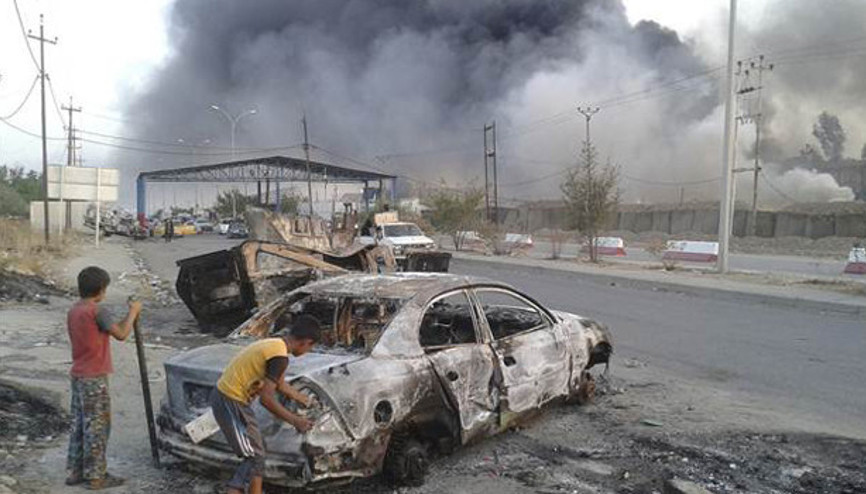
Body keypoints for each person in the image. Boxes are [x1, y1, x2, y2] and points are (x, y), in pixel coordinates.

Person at [211, 315, 320, 494]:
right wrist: (296, 420)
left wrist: (304, 399)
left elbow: (281, 385)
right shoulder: (280, 358)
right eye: (311, 346)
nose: (309, 350)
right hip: (230, 400)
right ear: (306, 342)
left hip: (231, 399)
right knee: (255, 456)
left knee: (258, 452)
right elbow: (266, 399)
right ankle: (234, 489)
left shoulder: (276, 346)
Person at [65, 267, 143, 490]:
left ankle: (75, 471)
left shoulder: (74, 310)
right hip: (94, 378)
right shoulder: (97, 311)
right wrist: (134, 312)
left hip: (78, 375)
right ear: (100, 290)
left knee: (79, 424)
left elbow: (105, 329)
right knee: (97, 427)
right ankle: (96, 476)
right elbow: (121, 334)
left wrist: (125, 316)